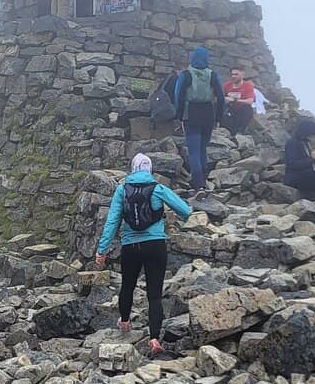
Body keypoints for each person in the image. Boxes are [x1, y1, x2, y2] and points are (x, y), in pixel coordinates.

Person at [95, 154, 192, 355]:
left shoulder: (122, 190)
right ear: (149, 169)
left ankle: (124, 322)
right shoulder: (158, 188)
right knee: (154, 294)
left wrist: (102, 250)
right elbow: (185, 210)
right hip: (155, 244)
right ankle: (155, 338)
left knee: (127, 286)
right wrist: (181, 216)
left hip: (131, 246)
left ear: (132, 168)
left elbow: (112, 221)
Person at [174, 47, 226, 195]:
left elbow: (178, 96)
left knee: (194, 150)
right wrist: (218, 117)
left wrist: (178, 115)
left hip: (192, 113)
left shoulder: (186, 75)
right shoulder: (212, 75)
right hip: (208, 113)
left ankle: (198, 184)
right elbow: (221, 97)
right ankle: (203, 179)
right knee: (203, 148)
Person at [222, 68, 255, 134]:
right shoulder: (226, 85)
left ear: (242, 75)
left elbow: (250, 101)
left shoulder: (248, 85)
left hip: (241, 111)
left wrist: (234, 100)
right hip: (230, 110)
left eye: (236, 74)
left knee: (247, 109)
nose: (233, 76)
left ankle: (241, 131)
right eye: (232, 74)